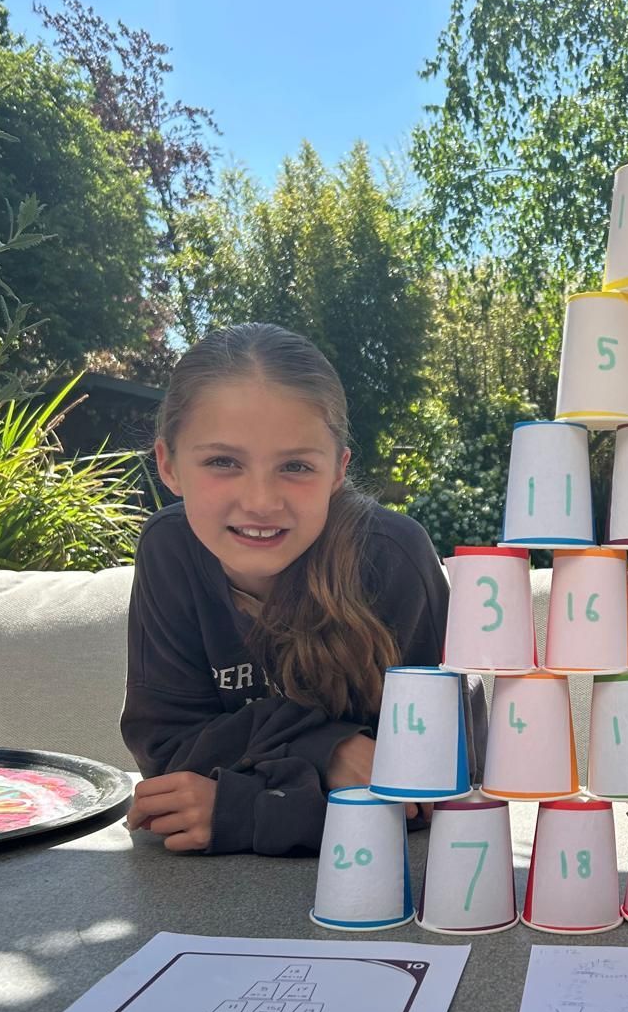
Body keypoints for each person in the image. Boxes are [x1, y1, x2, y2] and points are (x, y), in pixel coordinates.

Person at [121, 322, 484, 855]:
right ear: (169, 465)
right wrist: (327, 749)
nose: (262, 501)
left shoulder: (393, 557)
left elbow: (432, 790)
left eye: (295, 466)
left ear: (338, 471)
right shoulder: (168, 551)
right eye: (223, 462)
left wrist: (245, 810)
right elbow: (169, 757)